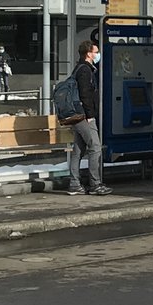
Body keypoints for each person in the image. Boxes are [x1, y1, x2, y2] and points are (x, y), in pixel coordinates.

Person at [67, 41, 111, 196]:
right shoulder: (85, 70)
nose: (98, 54)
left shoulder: (78, 68)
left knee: (78, 150)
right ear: (89, 53)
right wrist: (90, 115)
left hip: (76, 114)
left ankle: (74, 184)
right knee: (95, 147)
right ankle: (95, 184)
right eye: (96, 51)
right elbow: (86, 94)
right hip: (83, 116)